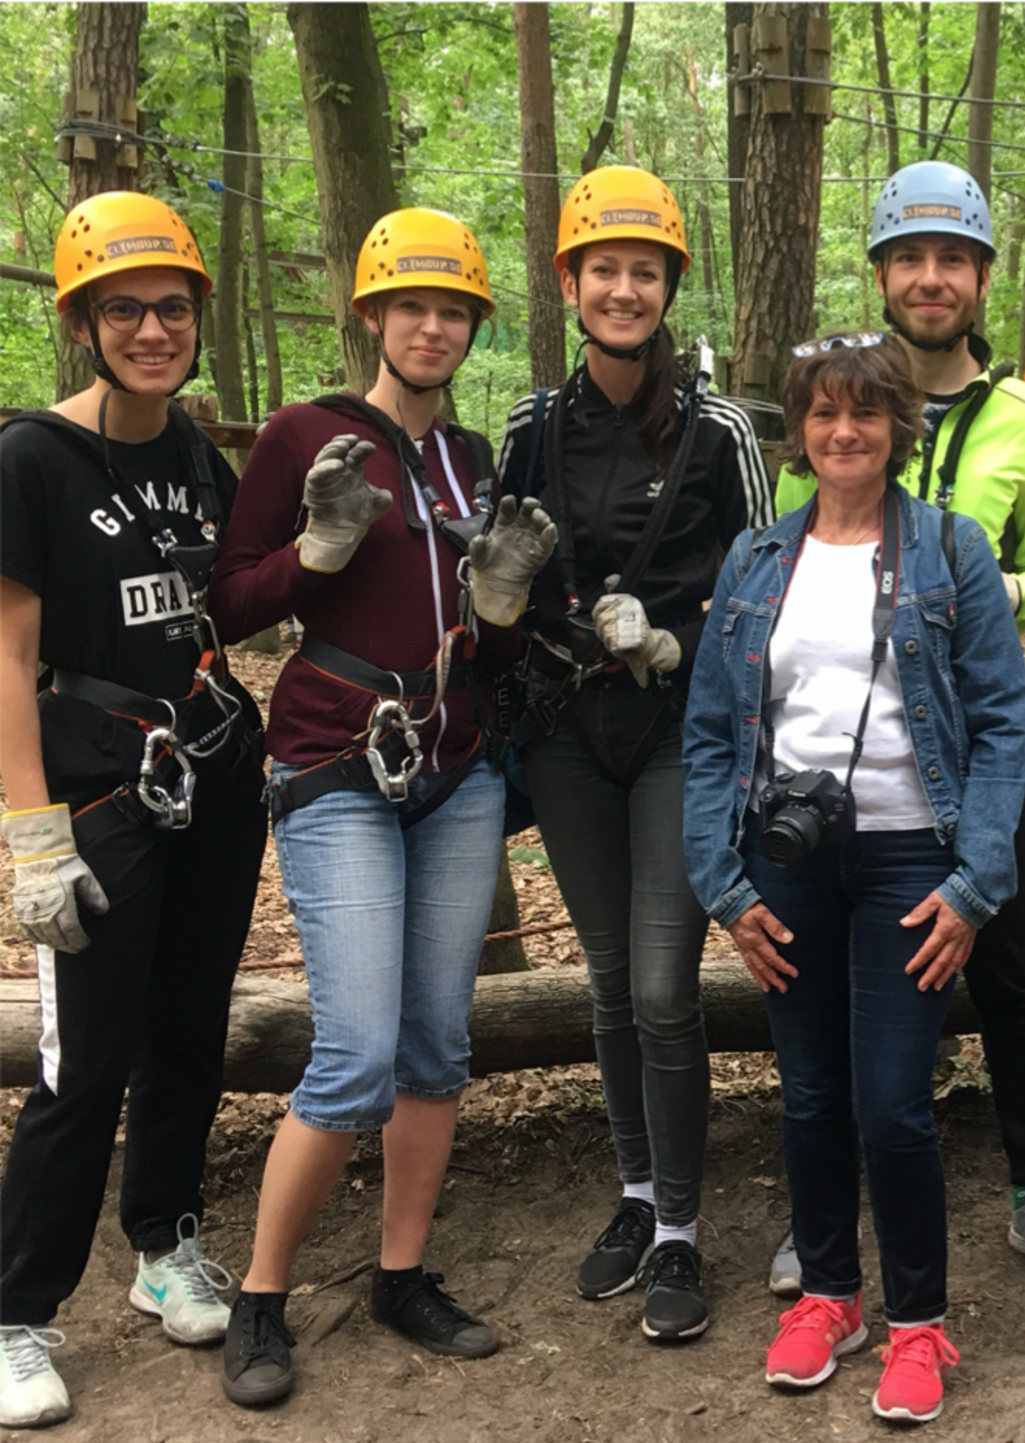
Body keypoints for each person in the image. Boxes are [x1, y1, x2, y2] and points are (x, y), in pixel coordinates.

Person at [210, 208, 556, 1406]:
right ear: (371, 314)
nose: (432, 327)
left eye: (453, 311)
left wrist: (501, 607)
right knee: (354, 1053)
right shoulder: (304, 435)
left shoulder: (471, 458)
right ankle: (262, 1295)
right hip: (334, 760)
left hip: (453, 766)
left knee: (434, 1044)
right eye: (411, 306)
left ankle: (401, 1274)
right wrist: (313, 550)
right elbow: (229, 605)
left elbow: (491, 654)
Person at [684, 333, 1025, 1424]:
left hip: (912, 858)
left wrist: (976, 883)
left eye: (865, 413)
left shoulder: (951, 549)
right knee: (809, 1092)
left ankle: (917, 1321)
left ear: (896, 426)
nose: (844, 432)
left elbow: (1003, 723)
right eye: (823, 413)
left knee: (891, 1104)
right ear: (798, 429)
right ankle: (828, 1295)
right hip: (788, 863)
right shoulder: (755, 560)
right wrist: (723, 883)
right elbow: (710, 732)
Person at [770, 161, 1025, 1290]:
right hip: (845, 767)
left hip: (975, 750)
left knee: (1004, 973)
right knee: (828, 979)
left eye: (952, 258)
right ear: (881, 275)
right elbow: (788, 563)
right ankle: (823, 1208)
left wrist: (998, 591)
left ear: (981, 277)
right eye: (907, 257)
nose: (929, 278)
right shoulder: (829, 411)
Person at [0, 192, 267, 1429]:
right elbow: (8, 657)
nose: (152, 331)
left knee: (189, 1031)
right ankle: (17, 1312)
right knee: (85, 1059)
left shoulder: (196, 458)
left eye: (170, 308)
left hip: (208, 776)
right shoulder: (30, 460)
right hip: (98, 787)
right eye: (123, 311)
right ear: (83, 324)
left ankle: (163, 1244)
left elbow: (228, 604)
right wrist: (31, 833)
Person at [496, 166, 770, 1342]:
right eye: (601, 269)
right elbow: (503, 576)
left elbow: (762, 589)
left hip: (676, 737)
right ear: (568, 284)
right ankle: (638, 1192)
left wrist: (676, 644)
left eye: (642, 272)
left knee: (663, 988)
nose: (622, 290)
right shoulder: (530, 429)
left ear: (667, 287)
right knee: (610, 983)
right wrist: (496, 601)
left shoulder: (719, 431)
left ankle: (681, 1231)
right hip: (567, 736)